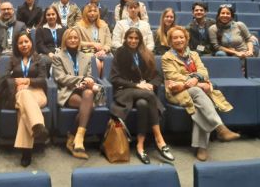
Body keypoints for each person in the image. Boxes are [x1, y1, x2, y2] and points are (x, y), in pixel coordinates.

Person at [162, 26, 240, 161]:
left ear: (186, 39)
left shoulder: (194, 54)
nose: (179, 40)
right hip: (177, 92)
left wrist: (196, 78)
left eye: (181, 37)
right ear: (170, 41)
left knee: (201, 104)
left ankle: (202, 147)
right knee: (198, 91)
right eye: (175, 38)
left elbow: (204, 72)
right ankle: (220, 128)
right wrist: (197, 82)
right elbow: (173, 76)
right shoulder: (167, 57)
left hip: (194, 89)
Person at [110, 28, 174, 164]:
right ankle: (159, 139)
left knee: (143, 104)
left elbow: (158, 75)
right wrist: (137, 86)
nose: (133, 41)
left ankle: (140, 145)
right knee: (149, 95)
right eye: (130, 38)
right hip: (125, 91)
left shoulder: (145, 53)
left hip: (142, 93)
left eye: (136, 38)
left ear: (140, 40)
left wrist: (152, 85)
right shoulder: (120, 53)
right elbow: (115, 79)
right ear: (126, 39)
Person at [0, 32, 49, 167]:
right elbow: (3, 79)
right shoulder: (12, 59)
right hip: (19, 93)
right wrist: (16, 82)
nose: (24, 45)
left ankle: (26, 152)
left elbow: (44, 80)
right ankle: (38, 126)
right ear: (16, 45)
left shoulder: (39, 59)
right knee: (24, 97)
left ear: (31, 43)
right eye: (20, 43)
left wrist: (27, 80)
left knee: (24, 108)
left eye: (26, 41)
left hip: (38, 93)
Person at [52, 28, 97, 160]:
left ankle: (76, 137)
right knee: (90, 106)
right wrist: (81, 79)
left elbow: (88, 76)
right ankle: (76, 136)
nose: (73, 40)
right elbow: (61, 78)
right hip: (67, 91)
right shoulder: (58, 57)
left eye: (75, 38)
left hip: (83, 90)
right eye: (70, 38)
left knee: (88, 94)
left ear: (79, 40)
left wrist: (86, 81)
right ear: (65, 40)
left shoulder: (86, 57)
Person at [75, 3, 112, 78]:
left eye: (95, 11)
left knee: (107, 61)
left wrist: (104, 50)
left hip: (103, 52)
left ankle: (106, 85)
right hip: (86, 52)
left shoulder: (103, 24)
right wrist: (92, 44)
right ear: (85, 13)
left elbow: (109, 42)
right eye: (89, 11)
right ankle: (95, 84)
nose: (92, 13)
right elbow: (76, 42)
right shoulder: (79, 25)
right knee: (96, 62)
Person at [35, 6, 65, 71]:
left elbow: (66, 43)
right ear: (45, 16)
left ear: (57, 15)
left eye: (53, 14)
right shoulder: (40, 29)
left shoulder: (63, 28)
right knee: (44, 60)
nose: (51, 16)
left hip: (62, 53)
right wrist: (49, 53)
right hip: (46, 54)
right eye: (48, 15)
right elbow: (40, 45)